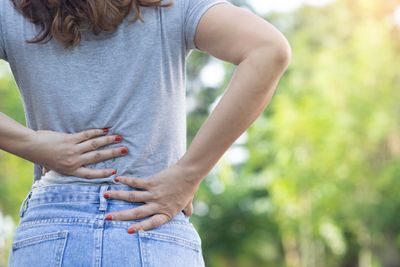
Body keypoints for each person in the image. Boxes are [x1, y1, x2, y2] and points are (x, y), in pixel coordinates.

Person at [0, 0, 291, 266]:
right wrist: (188, 174)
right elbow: (268, 49)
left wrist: (32, 144)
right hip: (152, 224)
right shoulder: (169, 5)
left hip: (50, 229)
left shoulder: (12, 10)